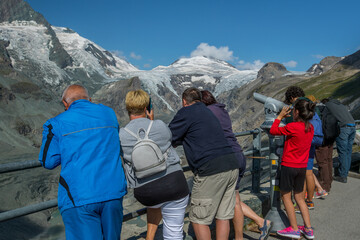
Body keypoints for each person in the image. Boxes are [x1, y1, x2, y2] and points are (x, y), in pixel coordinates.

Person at [38, 84, 127, 240]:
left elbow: (48, 161)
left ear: (65, 104)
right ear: (90, 99)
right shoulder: (109, 114)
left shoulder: (55, 123)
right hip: (112, 192)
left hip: (79, 196)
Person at [169, 87, 240, 240]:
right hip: (231, 164)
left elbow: (170, 136)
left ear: (184, 101)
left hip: (210, 169)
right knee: (223, 216)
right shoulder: (208, 111)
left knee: (198, 219)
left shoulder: (186, 112)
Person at [201, 90, 272, 240]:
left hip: (226, 157)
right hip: (237, 154)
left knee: (232, 202)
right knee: (234, 199)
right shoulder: (222, 110)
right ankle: (259, 223)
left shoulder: (207, 112)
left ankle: (254, 227)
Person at [119, 90, 189, 240]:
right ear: (147, 107)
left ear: (127, 109)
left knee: (155, 203)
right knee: (174, 232)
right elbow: (168, 140)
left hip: (146, 192)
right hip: (174, 184)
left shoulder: (121, 135)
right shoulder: (160, 126)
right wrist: (152, 121)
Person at [270, 99, 315, 239]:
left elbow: (273, 130)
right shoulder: (310, 128)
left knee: (286, 197)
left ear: (296, 112)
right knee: (300, 198)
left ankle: (294, 229)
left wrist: (279, 117)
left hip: (289, 166)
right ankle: (308, 229)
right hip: (302, 167)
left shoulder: (293, 126)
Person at [325, 99, 356, 183]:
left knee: (342, 151)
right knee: (348, 151)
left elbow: (326, 118)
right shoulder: (340, 105)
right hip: (353, 126)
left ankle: (342, 176)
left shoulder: (327, 105)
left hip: (344, 128)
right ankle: (345, 172)